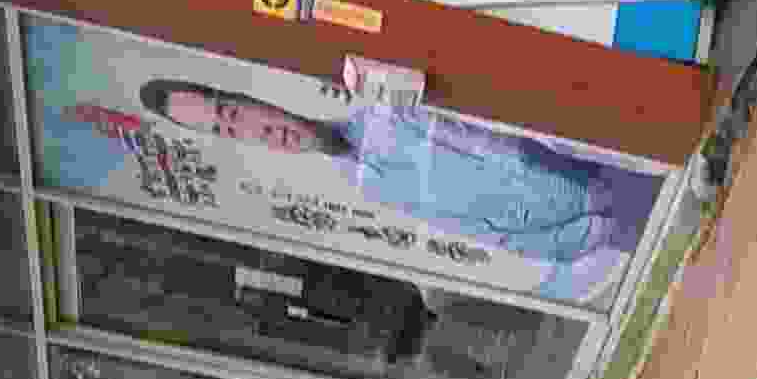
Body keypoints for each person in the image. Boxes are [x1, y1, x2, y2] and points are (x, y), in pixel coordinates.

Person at [137, 75, 636, 298]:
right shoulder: (362, 185)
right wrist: (574, 243)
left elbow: (509, 143)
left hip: (610, 175)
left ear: (249, 99)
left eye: (233, 112)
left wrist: (592, 193)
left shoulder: (386, 110)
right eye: (227, 131)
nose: (253, 130)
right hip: (593, 239)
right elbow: (481, 231)